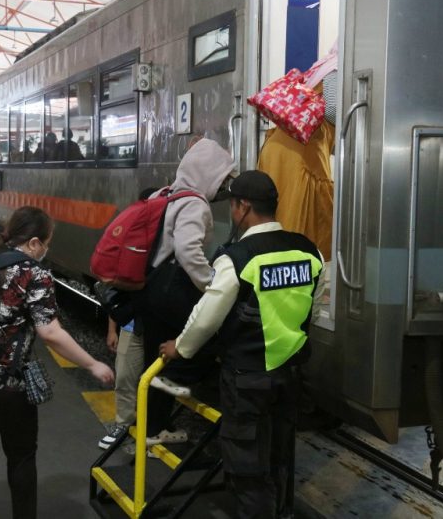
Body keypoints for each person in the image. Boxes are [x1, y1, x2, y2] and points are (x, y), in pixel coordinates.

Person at [158, 170, 322, 519]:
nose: (233, 213)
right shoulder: (310, 250)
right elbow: (315, 302)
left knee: (248, 466)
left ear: (244, 207)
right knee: (279, 456)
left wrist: (180, 349)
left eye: (233, 206)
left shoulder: (238, 258)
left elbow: (206, 317)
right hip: (290, 373)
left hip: (247, 377)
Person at [0, 206, 115, 519]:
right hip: (7, 383)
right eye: (47, 242)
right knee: (21, 458)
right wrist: (92, 364)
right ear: (34, 243)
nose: (47, 249)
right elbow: (50, 332)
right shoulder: (33, 273)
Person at [140, 138, 235, 444]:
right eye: (221, 178)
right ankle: (181, 378)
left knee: (155, 358)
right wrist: (210, 284)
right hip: (173, 286)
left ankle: (152, 431)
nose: (222, 187)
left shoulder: (164, 193)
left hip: (150, 285)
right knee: (209, 332)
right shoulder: (195, 202)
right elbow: (187, 250)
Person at [256, 41, 338, 261]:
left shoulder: (320, 68)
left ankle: (272, 266)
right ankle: (299, 269)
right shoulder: (338, 68)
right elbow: (333, 110)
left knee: (278, 213)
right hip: (302, 155)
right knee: (306, 217)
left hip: (280, 149)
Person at [97, 186, 158, 450]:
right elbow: (117, 291)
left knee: (155, 383)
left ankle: (153, 429)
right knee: (125, 377)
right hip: (133, 325)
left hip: (158, 325)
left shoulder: (169, 241)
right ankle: (124, 424)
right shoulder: (135, 242)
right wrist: (113, 328)